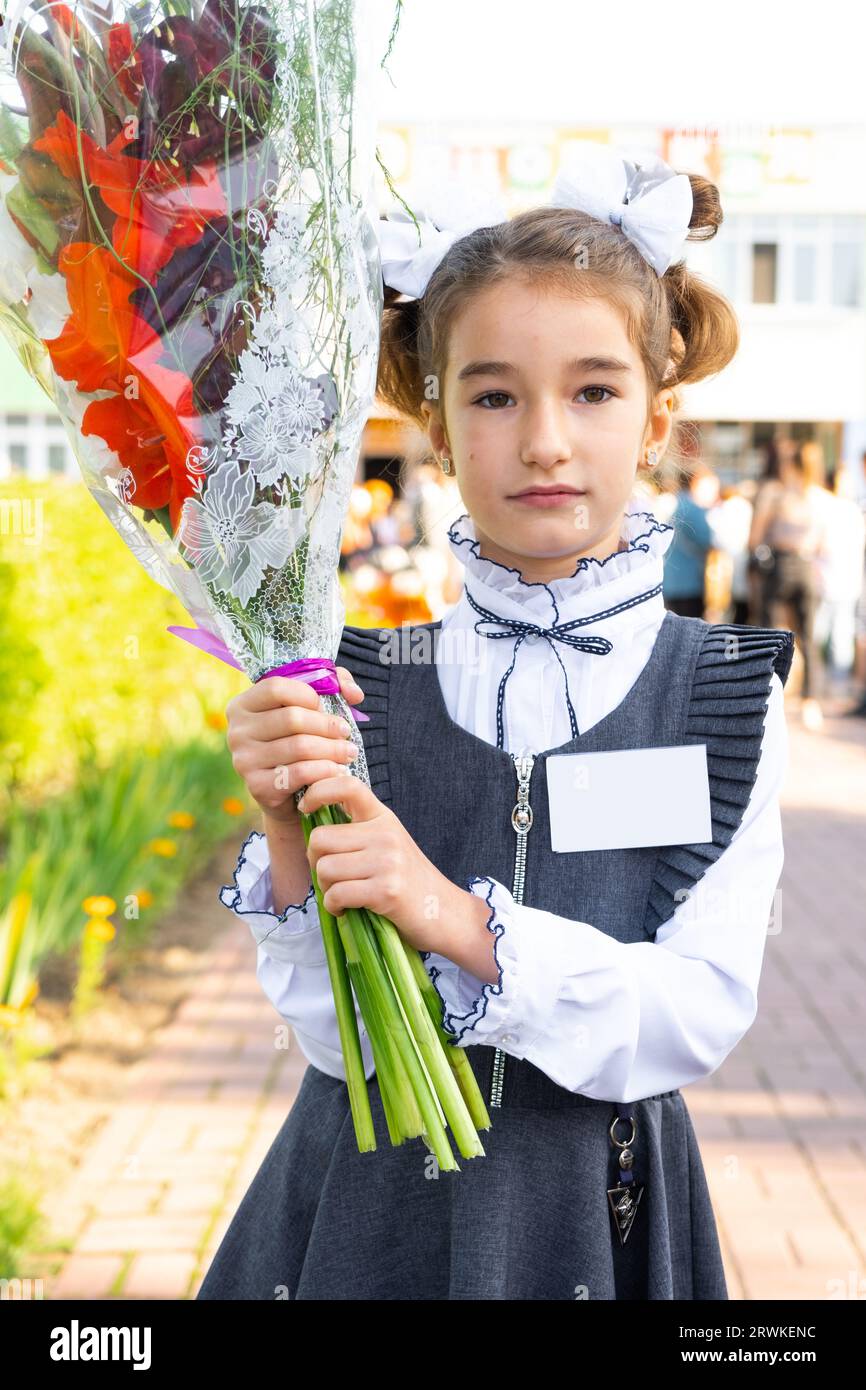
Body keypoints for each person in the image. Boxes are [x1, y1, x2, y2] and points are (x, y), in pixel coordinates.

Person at [196, 144, 793, 1302]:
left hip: (591, 1222)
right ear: (434, 421)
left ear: (657, 420)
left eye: (593, 389)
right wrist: (287, 836)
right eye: (491, 394)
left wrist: (451, 916)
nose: (543, 440)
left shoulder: (719, 688)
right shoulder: (362, 681)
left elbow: (692, 1009)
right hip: (365, 1224)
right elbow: (338, 1041)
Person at [748, 442, 827, 731]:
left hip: (779, 566)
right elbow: (821, 542)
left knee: (770, 633)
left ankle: (769, 695)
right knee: (808, 636)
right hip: (807, 567)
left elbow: (754, 537)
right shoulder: (816, 496)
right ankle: (810, 701)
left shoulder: (775, 492)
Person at [661, 465, 715, 617]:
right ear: (696, 483)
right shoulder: (693, 509)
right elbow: (707, 540)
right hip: (690, 582)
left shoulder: (675, 504)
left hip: (671, 581)